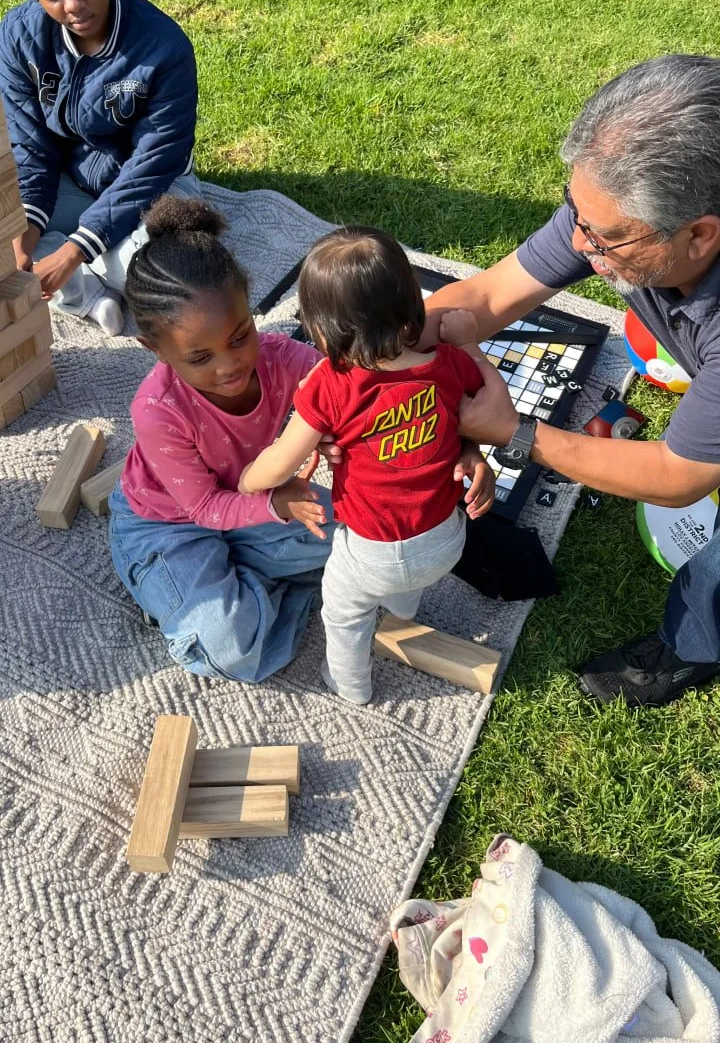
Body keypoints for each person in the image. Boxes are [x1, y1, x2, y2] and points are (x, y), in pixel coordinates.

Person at [425, 54, 720, 708]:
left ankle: (692, 642)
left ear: (700, 234)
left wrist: (513, 431)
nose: (579, 243)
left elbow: (679, 479)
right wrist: (382, 344)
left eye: (604, 237)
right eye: (574, 212)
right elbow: (491, 294)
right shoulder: (616, 213)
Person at [239, 226, 495, 704]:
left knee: (343, 615)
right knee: (402, 587)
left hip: (373, 552)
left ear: (321, 329)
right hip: (446, 538)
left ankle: (349, 685)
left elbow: (280, 463)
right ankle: (403, 614)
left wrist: (248, 477)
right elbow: (481, 410)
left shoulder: (329, 386)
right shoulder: (447, 363)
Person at [108, 197, 336, 684]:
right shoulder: (156, 411)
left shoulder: (280, 356)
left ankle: (236, 577)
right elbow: (207, 510)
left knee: (366, 536)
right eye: (199, 357)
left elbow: (344, 387)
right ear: (157, 350)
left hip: (252, 499)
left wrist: (338, 433)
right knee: (229, 646)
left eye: (239, 336)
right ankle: (193, 590)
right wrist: (276, 504)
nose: (229, 365)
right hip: (169, 522)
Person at [0, 0, 199, 336]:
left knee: (174, 273)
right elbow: (30, 148)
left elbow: (155, 163)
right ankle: (90, 296)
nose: (72, 5)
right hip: (70, 178)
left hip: (152, 186)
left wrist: (76, 249)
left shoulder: (164, 46)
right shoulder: (16, 38)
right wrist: (25, 231)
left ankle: (84, 278)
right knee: (7, 239)